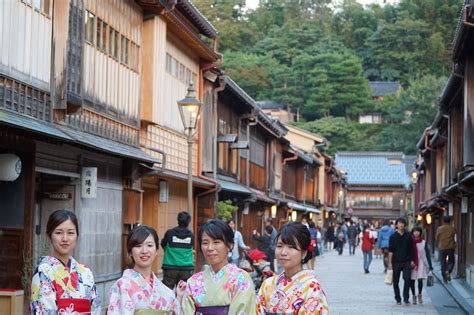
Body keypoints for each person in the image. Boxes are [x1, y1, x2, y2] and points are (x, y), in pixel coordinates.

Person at [30, 209, 101, 314]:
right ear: (49, 236)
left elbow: (95, 308)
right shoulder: (43, 271)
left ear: (77, 235)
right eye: (58, 233)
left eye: (71, 233)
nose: (65, 238)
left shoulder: (86, 273)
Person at [181, 219, 256, 314]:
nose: (210, 248)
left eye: (216, 242)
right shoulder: (193, 281)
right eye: (205, 243)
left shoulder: (241, 279)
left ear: (230, 245)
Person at [257, 222, 328, 314]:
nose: (283, 252)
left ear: (304, 253)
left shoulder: (312, 288)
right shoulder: (267, 284)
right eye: (279, 246)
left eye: (291, 247)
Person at [108, 225, 182, 314]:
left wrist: (180, 297)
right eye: (138, 246)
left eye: (149, 245)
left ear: (156, 250)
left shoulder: (166, 291)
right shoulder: (122, 286)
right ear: (130, 252)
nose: (144, 251)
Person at [161, 211, 194, 290]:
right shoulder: (191, 235)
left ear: (178, 220)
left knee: (166, 292)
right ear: (189, 222)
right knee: (183, 294)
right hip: (186, 269)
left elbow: (163, 244)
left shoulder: (170, 233)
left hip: (170, 267)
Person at [388, 217, 415, 305]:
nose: (401, 224)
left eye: (403, 223)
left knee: (407, 279)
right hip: (396, 262)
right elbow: (390, 251)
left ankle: (406, 297)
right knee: (395, 281)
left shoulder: (408, 236)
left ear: (404, 225)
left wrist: (412, 260)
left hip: (406, 261)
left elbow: (412, 249)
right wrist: (389, 263)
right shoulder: (392, 237)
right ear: (396, 225)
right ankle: (398, 297)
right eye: (399, 223)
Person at [410, 226, 433, 305]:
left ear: (420, 232)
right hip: (412, 263)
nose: (416, 233)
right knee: (412, 280)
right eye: (414, 231)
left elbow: (427, 254)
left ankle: (419, 294)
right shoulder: (410, 241)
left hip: (421, 263)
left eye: (418, 231)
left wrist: (430, 266)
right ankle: (413, 296)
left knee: (420, 280)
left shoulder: (423, 242)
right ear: (412, 232)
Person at [436, 215, 456, 283]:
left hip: (442, 247)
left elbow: (437, 238)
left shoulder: (439, 228)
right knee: (451, 261)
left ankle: (444, 278)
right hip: (450, 247)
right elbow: (455, 237)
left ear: (443, 220)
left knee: (443, 263)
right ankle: (448, 271)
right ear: (450, 220)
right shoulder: (452, 228)